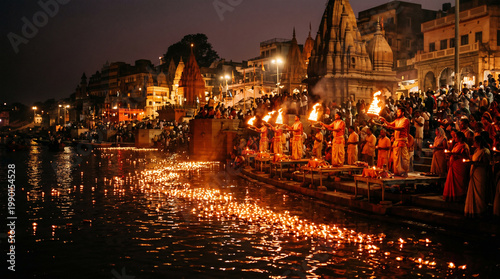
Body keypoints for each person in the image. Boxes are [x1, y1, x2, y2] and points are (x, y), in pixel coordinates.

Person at [464, 136, 492, 217]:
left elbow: (486, 164)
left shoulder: (485, 151)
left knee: (480, 192)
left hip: (480, 173)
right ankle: (473, 210)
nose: (473, 143)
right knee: (473, 191)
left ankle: (481, 210)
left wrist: (473, 163)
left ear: (479, 142)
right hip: (474, 172)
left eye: (475, 141)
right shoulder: (477, 150)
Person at [381, 107, 410, 176]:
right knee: (396, 158)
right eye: (397, 112)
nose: (397, 113)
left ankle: (403, 172)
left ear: (403, 113)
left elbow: (401, 128)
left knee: (403, 158)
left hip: (402, 140)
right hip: (396, 141)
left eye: (399, 112)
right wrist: (385, 121)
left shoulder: (405, 120)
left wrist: (391, 127)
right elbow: (390, 124)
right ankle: (397, 172)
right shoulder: (397, 120)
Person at [443, 132, 470, 202]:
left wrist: (454, 155)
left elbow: (466, 157)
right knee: (453, 181)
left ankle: (460, 196)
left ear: (460, 138)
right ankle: (452, 196)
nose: (454, 138)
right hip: (454, 165)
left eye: (456, 137)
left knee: (460, 182)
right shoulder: (456, 145)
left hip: (460, 165)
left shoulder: (464, 146)